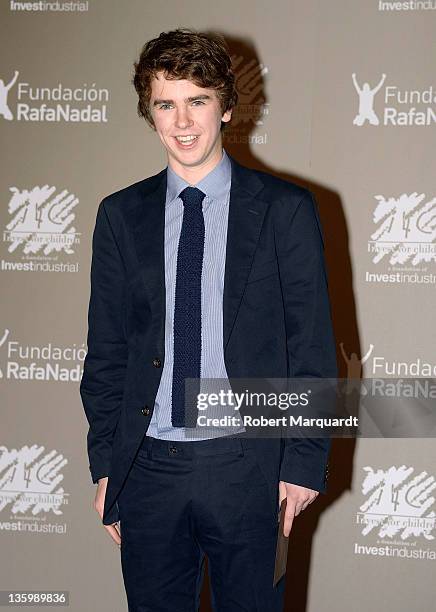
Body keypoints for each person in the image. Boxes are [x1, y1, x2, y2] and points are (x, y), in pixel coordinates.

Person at [80, 27, 337, 612]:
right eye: (165, 104)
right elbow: (107, 353)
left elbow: (312, 346)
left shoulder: (285, 210)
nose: (183, 120)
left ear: (225, 104)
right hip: (147, 470)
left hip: (248, 467)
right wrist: (106, 465)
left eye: (198, 99)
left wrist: (302, 463)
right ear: (150, 113)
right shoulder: (120, 216)